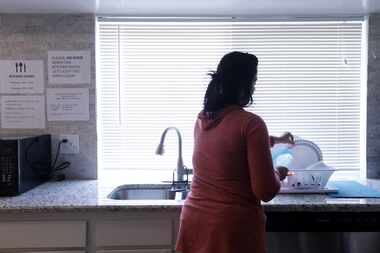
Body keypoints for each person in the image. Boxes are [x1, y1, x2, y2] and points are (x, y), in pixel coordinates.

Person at [176, 51, 294, 253]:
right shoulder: (251, 124)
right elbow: (265, 191)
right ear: (244, 85)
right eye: (254, 81)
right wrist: (279, 173)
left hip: (194, 221)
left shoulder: (203, 119)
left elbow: (229, 144)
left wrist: (277, 140)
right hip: (230, 228)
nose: (254, 87)